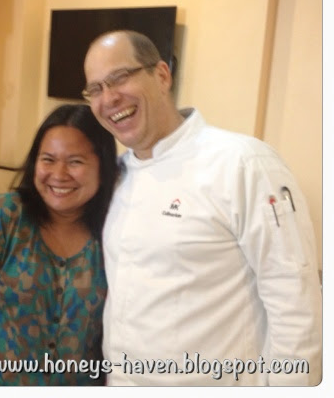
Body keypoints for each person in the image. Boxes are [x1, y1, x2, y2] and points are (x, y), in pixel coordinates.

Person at [83, 30, 322, 386]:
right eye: (95, 89)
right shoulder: (117, 177)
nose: (109, 98)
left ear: (161, 76)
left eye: (120, 78)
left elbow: (296, 305)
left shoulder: (243, 163)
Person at [0, 104, 118, 385]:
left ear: (103, 167)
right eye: (48, 159)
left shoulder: (114, 230)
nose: (59, 174)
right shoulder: (4, 217)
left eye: (75, 162)